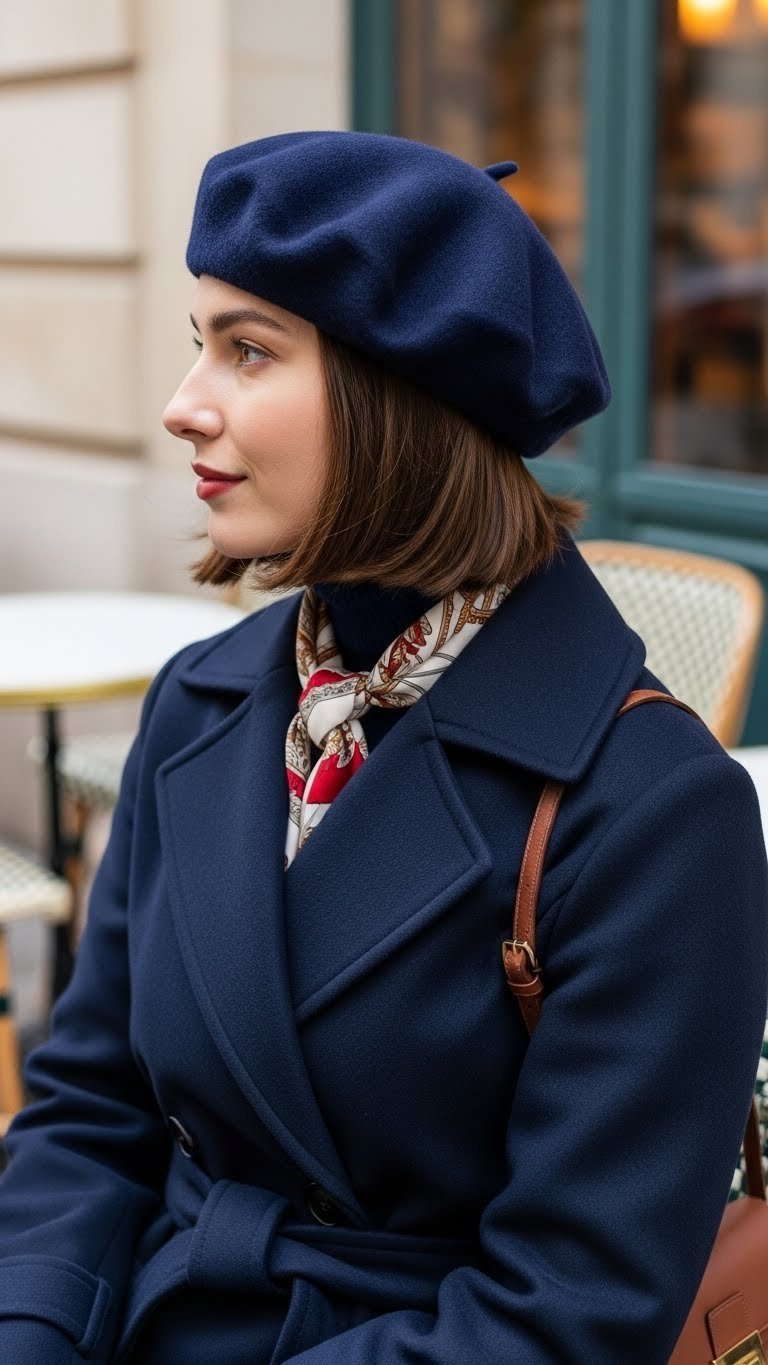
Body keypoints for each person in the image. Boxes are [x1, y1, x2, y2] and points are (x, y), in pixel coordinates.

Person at [0, 130, 766, 1364]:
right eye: (198, 342)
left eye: (249, 349)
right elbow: (91, 1110)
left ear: (402, 394)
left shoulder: (658, 813)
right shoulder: (198, 703)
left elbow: (568, 1312)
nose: (183, 402)